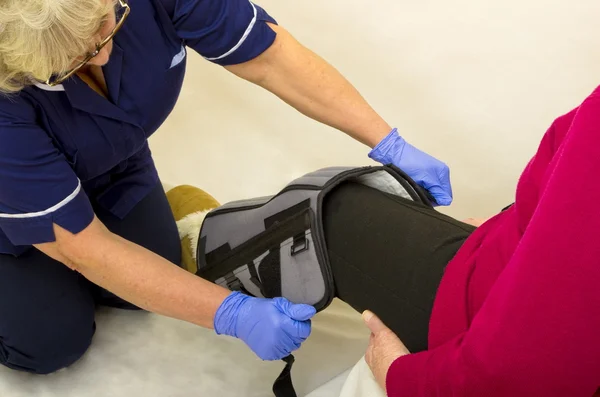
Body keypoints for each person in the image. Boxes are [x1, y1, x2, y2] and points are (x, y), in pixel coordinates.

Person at [0, 0, 454, 374]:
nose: (102, 55)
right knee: (51, 343)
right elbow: (85, 249)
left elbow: (271, 59)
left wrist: (387, 141)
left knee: (147, 281)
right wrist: (231, 315)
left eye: (107, 25)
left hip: (110, 161)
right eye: (75, 58)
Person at [318, 87, 600, 396]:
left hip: (472, 316)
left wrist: (401, 378)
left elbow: (523, 368)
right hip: (501, 265)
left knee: (330, 208)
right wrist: (520, 223)